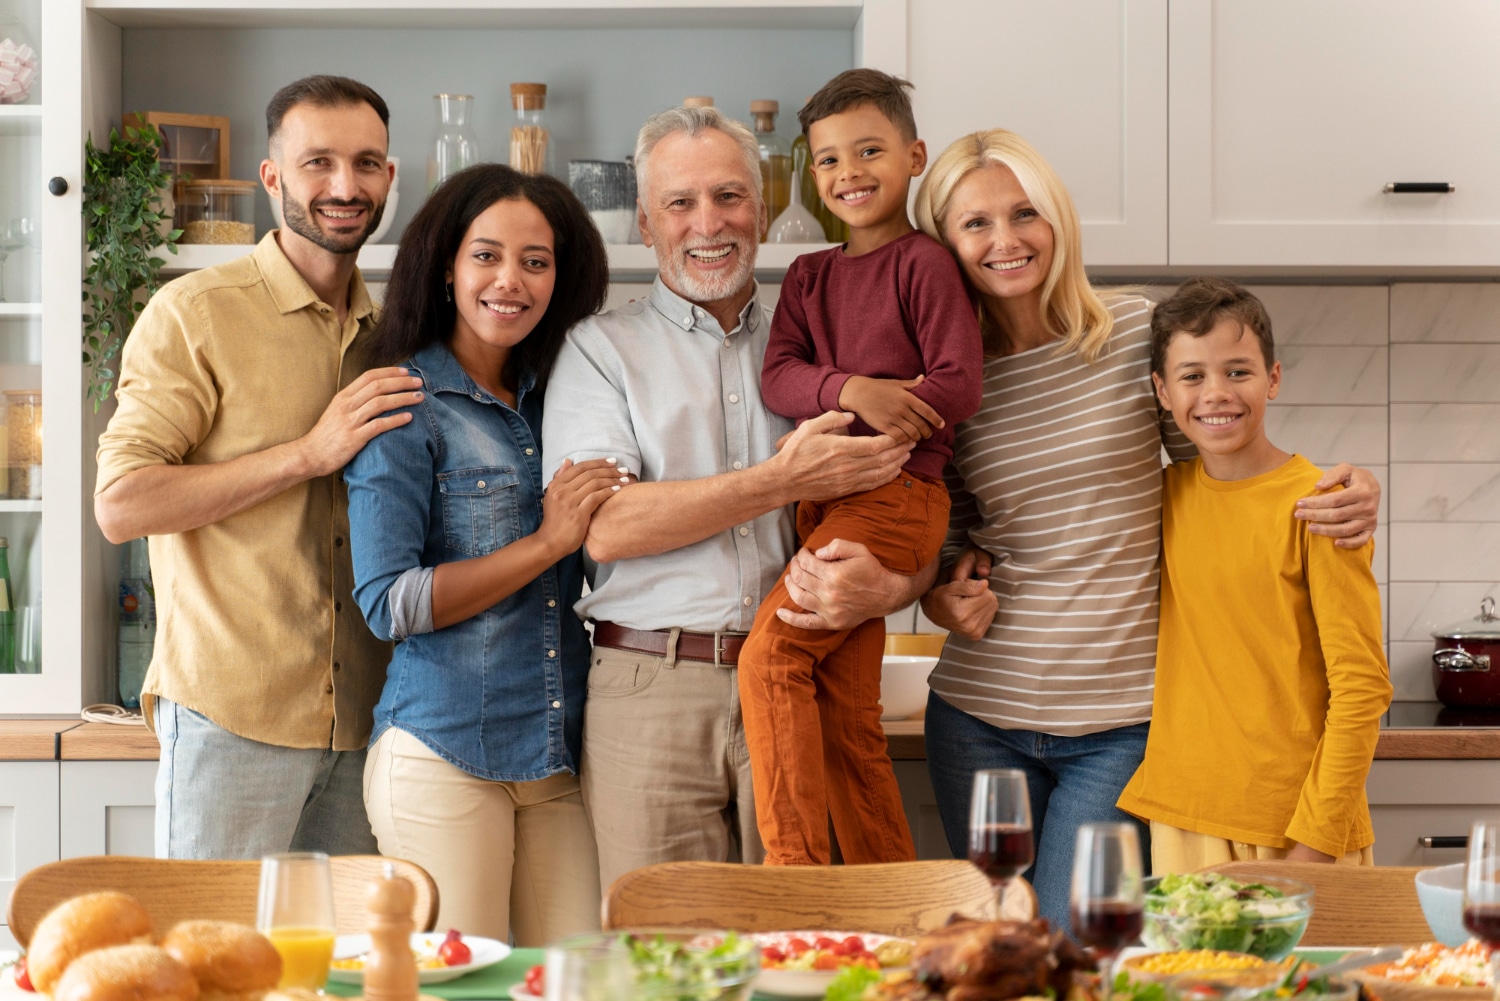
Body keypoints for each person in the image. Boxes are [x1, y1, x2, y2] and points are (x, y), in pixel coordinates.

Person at [771, 129, 1381, 931]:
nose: (1005, 239)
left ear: (1057, 218)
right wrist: (940, 595)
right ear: (944, 243)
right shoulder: (947, 380)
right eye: (974, 223)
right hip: (979, 715)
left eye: (1025, 212)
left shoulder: (1134, 336)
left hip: (1123, 727)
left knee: (1068, 951)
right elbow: (940, 523)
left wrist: (1348, 483)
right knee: (995, 953)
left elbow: (1222, 461)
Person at [540, 105, 913, 893]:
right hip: (650, 689)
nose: (708, 223)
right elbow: (605, 528)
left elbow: (904, 496)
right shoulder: (598, 348)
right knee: (663, 959)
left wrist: (903, 585)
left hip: (805, 676)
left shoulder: (822, 346)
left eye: (729, 197)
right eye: (680, 203)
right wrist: (783, 480)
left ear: (764, 209)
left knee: (809, 944)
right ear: (646, 223)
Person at [94, 75, 420, 860]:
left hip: (372, 726)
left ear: (390, 179)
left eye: (367, 164)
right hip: (230, 720)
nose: (345, 186)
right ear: (273, 178)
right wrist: (308, 454)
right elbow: (121, 502)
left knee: (346, 978)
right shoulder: (195, 314)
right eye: (319, 163)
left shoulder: (398, 332)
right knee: (213, 973)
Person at [344, 164, 616, 943]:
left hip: (555, 757)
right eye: (486, 256)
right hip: (441, 753)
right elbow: (389, 603)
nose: (511, 281)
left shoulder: (566, 391)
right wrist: (546, 543)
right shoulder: (405, 400)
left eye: (536, 261)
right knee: (466, 990)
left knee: (576, 983)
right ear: (447, 266)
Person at [740, 69, 983, 867]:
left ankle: (795, 878)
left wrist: (887, 406)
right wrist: (858, 391)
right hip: (830, 502)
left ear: (914, 156)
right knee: (846, 715)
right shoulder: (809, 275)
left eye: (870, 150)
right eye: (828, 159)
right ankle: (891, 908)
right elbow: (779, 374)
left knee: (771, 658)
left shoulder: (927, 264)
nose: (849, 173)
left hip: (897, 498)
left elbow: (959, 382)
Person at [1117, 277, 1392, 870]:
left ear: (1273, 378)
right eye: (1192, 376)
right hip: (1184, 821)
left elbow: (1362, 688)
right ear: (1161, 392)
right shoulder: (1158, 498)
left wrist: (1313, 847)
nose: (1216, 393)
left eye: (1238, 372)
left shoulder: (1321, 505)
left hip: (1295, 828)